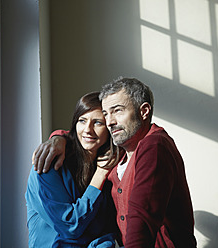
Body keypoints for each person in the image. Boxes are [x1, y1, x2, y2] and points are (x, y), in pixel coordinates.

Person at [33, 77, 197, 247]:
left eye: (117, 111)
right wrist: (59, 137)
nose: (110, 121)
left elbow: (142, 219)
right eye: (106, 114)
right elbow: (83, 136)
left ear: (144, 111)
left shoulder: (153, 146)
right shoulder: (116, 156)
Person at [26, 92, 121, 248]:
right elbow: (70, 226)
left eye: (97, 122)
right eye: (82, 121)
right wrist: (100, 173)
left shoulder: (113, 163)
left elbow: (105, 229)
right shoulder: (47, 166)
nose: (87, 130)